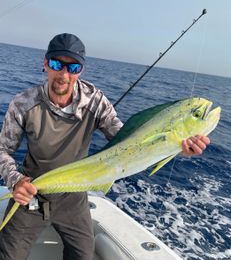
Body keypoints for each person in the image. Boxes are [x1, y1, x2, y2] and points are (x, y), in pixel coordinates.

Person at [0, 33, 210, 260]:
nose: (63, 74)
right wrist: (15, 180)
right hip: (30, 193)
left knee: (83, 256)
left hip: (74, 197)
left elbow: (126, 142)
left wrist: (177, 147)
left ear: (81, 70)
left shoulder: (95, 100)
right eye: (56, 64)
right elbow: (2, 150)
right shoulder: (23, 103)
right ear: (45, 63)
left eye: (73, 67)